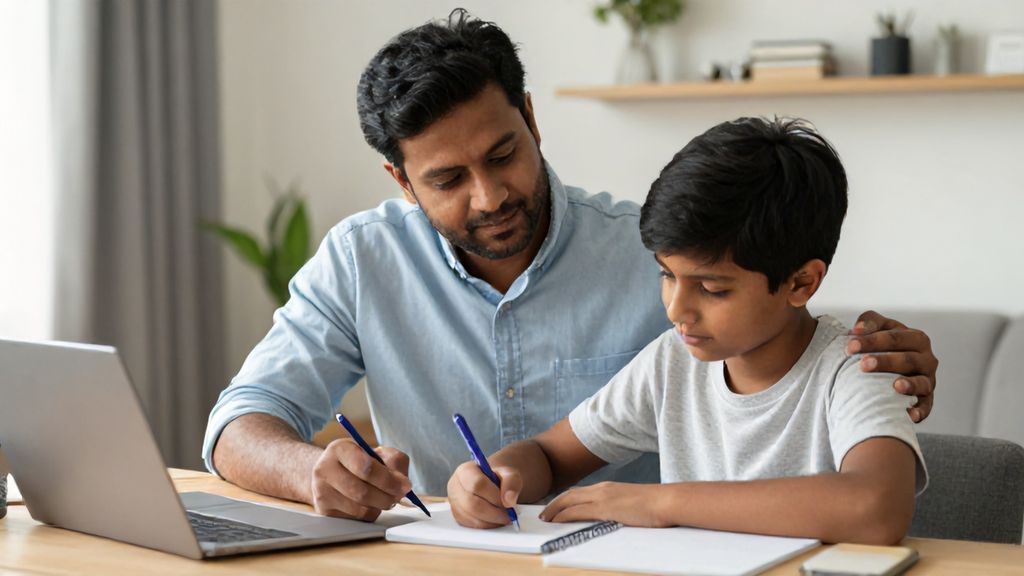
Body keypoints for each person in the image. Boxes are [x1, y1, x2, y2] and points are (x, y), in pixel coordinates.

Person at [203, 10, 938, 522]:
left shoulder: (654, 248)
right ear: (400, 180)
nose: (489, 197)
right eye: (447, 180)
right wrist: (316, 472)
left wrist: (651, 504)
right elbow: (238, 423)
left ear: (530, 116)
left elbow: (802, 362)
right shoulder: (362, 260)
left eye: (502, 155)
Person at [447, 117, 928, 544]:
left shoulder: (858, 367)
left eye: (712, 289)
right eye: (666, 275)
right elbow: (549, 456)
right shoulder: (671, 361)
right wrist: (497, 475)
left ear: (801, 282)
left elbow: (875, 508)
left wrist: (661, 502)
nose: (678, 309)